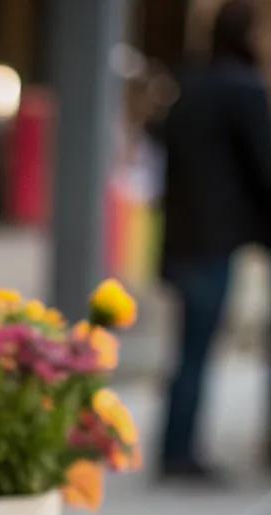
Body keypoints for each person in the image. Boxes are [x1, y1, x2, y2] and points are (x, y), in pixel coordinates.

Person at [158, 0, 271, 481]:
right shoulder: (243, 90)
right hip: (215, 239)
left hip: (184, 236)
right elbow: (263, 167)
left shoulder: (190, 85)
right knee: (199, 347)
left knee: (189, 350)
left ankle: (175, 447)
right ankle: (181, 455)